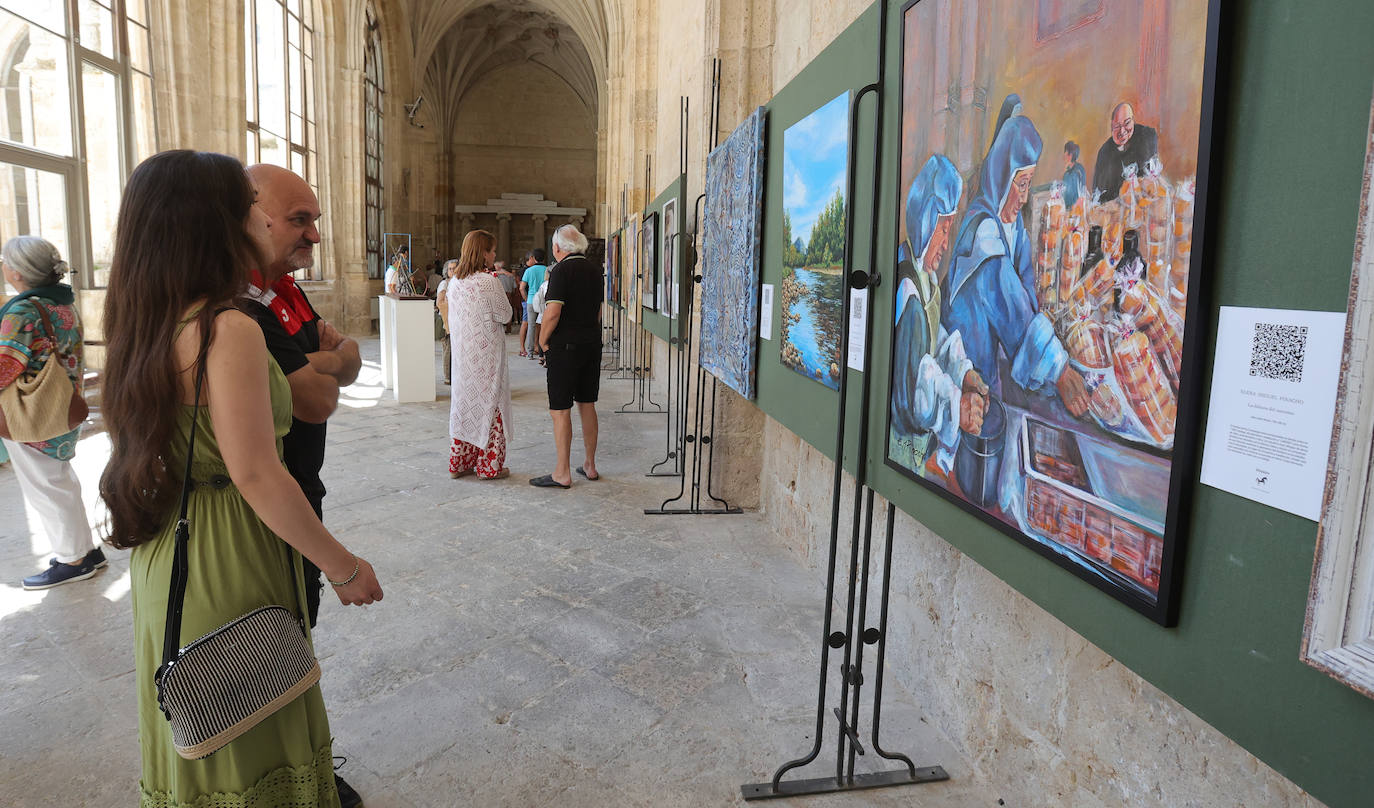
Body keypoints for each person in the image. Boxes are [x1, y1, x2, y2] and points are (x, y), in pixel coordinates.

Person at [99, 150, 381, 808]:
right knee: (255, 729)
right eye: (241, 212)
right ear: (214, 223)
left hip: (168, 552)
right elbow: (256, 473)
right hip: (229, 555)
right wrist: (342, 566)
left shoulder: (139, 323)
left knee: (200, 737)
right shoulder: (227, 328)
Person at [242, 163, 365, 807]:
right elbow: (316, 397)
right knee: (269, 645)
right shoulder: (240, 307)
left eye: (314, 218)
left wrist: (326, 361)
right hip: (268, 507)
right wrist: (326, 362)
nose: (314, 235)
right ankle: (285, 778)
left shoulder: (285, 292)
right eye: (300, 219)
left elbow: (347, 358)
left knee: (295, 634)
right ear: (251, 216)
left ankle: (300, 765)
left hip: (302, 487)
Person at [943, 115, 1089, 417]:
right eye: (1021, 185)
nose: (1024, 197)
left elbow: (1026, 286)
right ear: (1001, 177)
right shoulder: (983, 231)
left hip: (996, 359)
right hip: (971, 369)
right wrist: (1059, 368)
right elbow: (1011, 305)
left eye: (1029, 185)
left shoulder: (1011, 224)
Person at [1, 236, 103, 590]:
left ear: (16, 272)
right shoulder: (62, 304)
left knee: (46, 488)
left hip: (33, 411)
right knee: (59, 480)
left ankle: (73, 560)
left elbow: (5, 366)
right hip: (63, 405)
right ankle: (86, 551)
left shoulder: (22, 312)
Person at [891, 156, 987, 472]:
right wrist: (956, 407)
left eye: (949, 230)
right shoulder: (909, 296)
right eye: (942, 230)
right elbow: (915, 397)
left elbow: (937, 338)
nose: (946, 244)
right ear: (925, 222)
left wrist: (962, 372)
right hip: (902, 446)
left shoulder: (925, 275)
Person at [530, 225, 602, 489]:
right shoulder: (595, 270)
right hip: (591, 344)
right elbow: (597, 312)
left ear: (558, 247)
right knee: (587, 404)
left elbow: (552, 313)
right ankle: (590, 465)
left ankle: (562, 472)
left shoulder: (561, 270)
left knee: (560, 410)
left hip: (566, 348)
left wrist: (541, 340)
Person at [447, 229, 512, 480]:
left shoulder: (455, 282)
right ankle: (488, 466)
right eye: (492, 250)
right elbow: (505, 315)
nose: (495, 254)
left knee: (465, 405)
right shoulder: (488, 281)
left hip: (464, 355)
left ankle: (460, 463)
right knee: (490, 406)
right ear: (483, 252)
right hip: (486, 357)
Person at [1091, 102, 1160, 202]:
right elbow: (1098, 194)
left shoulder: (1147, 136)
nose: (1122, 131)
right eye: (1117, 126)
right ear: (1111, 126)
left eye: (1127, 123)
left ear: (1133, 121)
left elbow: (1147, 182)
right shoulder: (1104, 152)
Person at [519, 248, 548, 357]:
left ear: (534, 258)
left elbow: (522, 288)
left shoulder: (529, 270)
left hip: (531, 300)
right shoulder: (547, 270)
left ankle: (530, 352)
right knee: (543, 325)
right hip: (543, 301)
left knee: (531, 326)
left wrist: (526, 299)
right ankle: (543, 351)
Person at [436, 258, 458, 385]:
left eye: (455, 268)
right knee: (448, 349)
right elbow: (440, 302)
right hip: (447, 320)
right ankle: (448, 376)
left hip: (457, 319)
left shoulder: (460, 282)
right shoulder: (444, 284)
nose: (452, 271)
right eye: (450, 269)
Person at [492, 260, 520, 334]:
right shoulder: (510, 276)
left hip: (500, 294)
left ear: (497, 267)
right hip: (509, 294)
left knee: (498, 311)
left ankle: (499, 330)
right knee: (508, 310)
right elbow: (514, 286)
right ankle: (509, 329)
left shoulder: (496, 275)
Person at [1062, 140, 1087, 209]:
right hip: (1068, 209)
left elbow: (1082, 191)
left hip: (1077, 209)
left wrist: (1076, 207)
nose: (1064, 155)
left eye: (1065, 153)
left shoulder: (1079, 170)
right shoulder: (1066, 173)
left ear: (1070, 155)